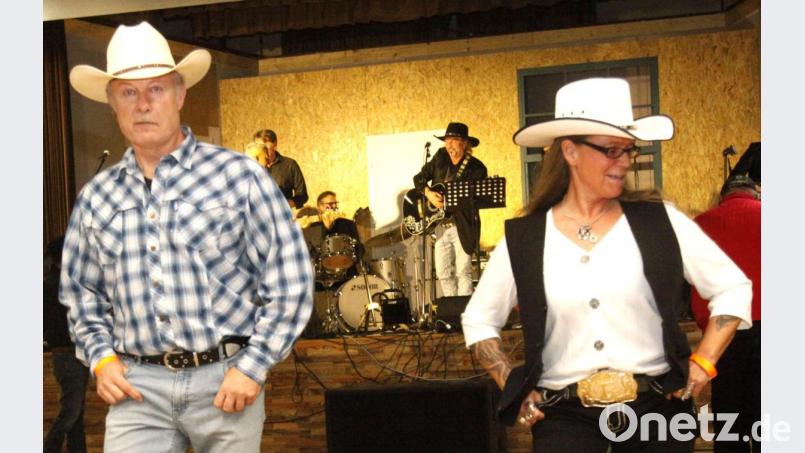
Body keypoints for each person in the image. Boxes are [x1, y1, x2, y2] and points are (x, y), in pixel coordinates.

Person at [461, 78, 752, 452]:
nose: (625, 162)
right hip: (564, 417)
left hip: (658, 410)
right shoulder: (527, 238)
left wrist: (704, 362)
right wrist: (510, 382)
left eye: (628, 151)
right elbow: (478, 319)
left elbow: (732, 287)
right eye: (611, 150)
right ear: (570, 151)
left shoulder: (659, 221)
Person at [62, 22, 313, 452]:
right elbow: (80, 292)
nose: (142, 104)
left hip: (225, 379)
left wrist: (252, 367)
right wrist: (101, 359)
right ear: (111, 103)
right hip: (136, 388)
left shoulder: (238, 177)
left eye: (156, 90)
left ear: (180, 95)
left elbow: (290, 280)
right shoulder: (96, 198)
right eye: (128, 92)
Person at [691, 174, 761, 453]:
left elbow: (696, 288)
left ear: (723, 196)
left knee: (730, 413)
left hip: (724, 328)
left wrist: (705, 325)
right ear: (754, 194)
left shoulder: (701, 223)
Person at [413, 122, 487, 296]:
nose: (448, 144)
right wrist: (428, 193)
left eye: (453, 140)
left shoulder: (476, 168)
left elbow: (475, 199)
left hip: (463, 225)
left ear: (465, 143)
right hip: (440, 225)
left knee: (463, 272)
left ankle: (463, 315)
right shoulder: (440, 157)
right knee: (443, 274)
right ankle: (451, 314)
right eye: (446, 140)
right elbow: (418, 178)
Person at [44, 236, 89, 453]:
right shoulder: (57, 284)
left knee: (77, 411)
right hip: (67, 352)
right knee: (71, 411)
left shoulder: (55, 282)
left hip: (70, 352)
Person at [302, 191, 365, 284]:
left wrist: (354, 255)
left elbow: (360, 249)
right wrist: (326, 228)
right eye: (330, 204)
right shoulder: (311, 228)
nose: (334, 206)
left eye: (335, 203)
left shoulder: (348, 224)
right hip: (322, 278)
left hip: (346, 274)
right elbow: (307, 254)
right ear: (320, 207)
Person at [252, 129, 309, 208]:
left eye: (264, 147)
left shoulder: (289, 165)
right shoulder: (251, 167)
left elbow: (302, 196)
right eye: (258, 147)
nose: (261, 150)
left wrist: (284, 205)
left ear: (275, 145)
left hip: (282, 216)